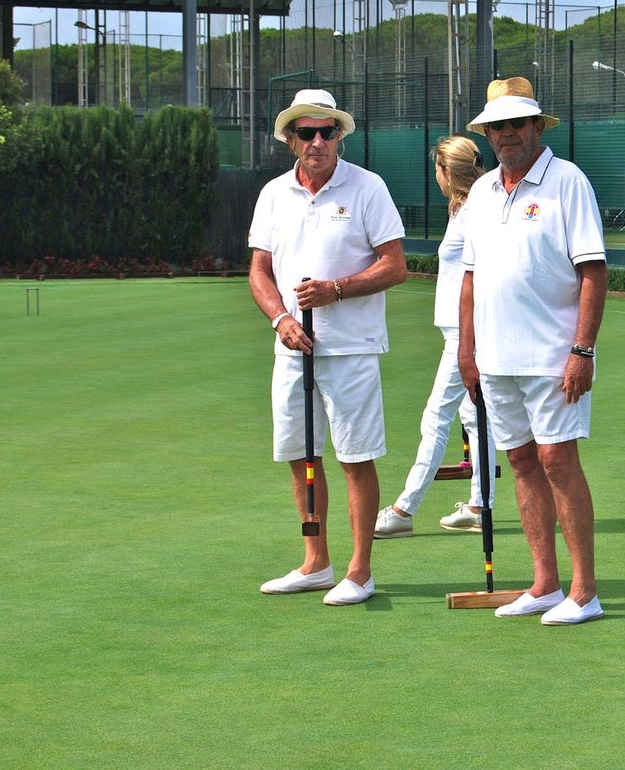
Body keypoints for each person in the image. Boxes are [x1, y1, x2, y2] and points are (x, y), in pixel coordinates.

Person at [248, 88, 408, 606]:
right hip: (293, 347)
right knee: (301, 455)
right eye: (306, 132)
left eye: (327, 131)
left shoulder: (367, 187)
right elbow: (259, 271)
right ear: (290, 139)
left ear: (339, 135)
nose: (317, 141)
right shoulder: (273, 193)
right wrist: (280, 320)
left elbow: (395, 265)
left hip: (352, 347)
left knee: (356, 457)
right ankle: (316, 562)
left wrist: (335, 290)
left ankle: (360, 572)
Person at [458, 77, 608, 626]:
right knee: (520, 462)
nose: (507, 133)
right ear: (487, 134)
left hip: (553, 356)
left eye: (517, 123)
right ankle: (545, 584)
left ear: (537, 127)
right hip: (495, 359)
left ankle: (584, 592)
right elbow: (470, 278)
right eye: (497, 126)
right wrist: (467, 351)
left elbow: (593, 272)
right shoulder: (481, 192)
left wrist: (582, 350)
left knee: (557, 463)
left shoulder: (568, 181)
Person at [374, 135, 497, 539]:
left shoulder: (474, 211)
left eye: (437, 170)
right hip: (457, 330)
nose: (436, 177)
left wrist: (470, 340)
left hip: (465, 333)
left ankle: (403, 510)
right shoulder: (463, 209)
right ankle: (479, 505)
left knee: (435, 417)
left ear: (447, 171)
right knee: (473, 418)